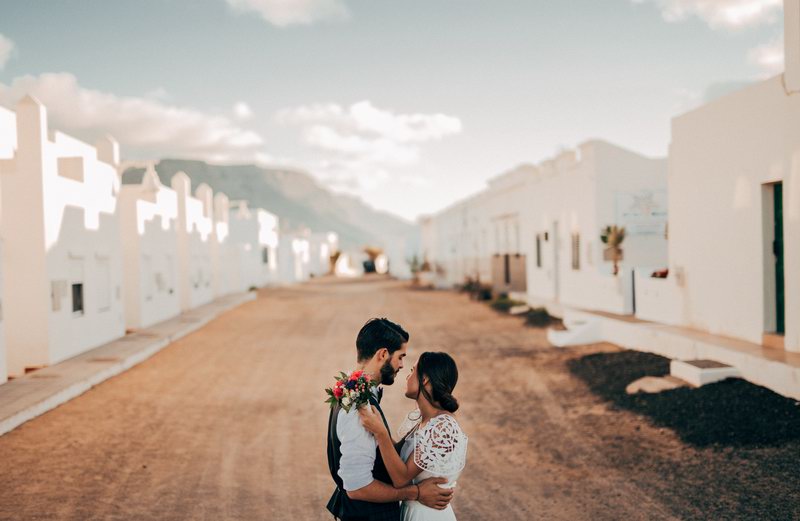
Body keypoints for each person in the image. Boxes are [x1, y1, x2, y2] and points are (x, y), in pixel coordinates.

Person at [327, 319, 454, 521]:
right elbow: (358, 488)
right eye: (400, 357)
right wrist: (416, 493)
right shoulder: (358, 407)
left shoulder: (353, 393)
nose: (402, 366)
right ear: (383, 354)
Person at [359, 352, 467, 521]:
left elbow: (401, 479)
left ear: (425, 379)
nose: (407, 376)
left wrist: (381, 433)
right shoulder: (425, 421)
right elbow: (396, 456)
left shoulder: (443, 427)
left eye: (412, 371)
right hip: (413, 510)